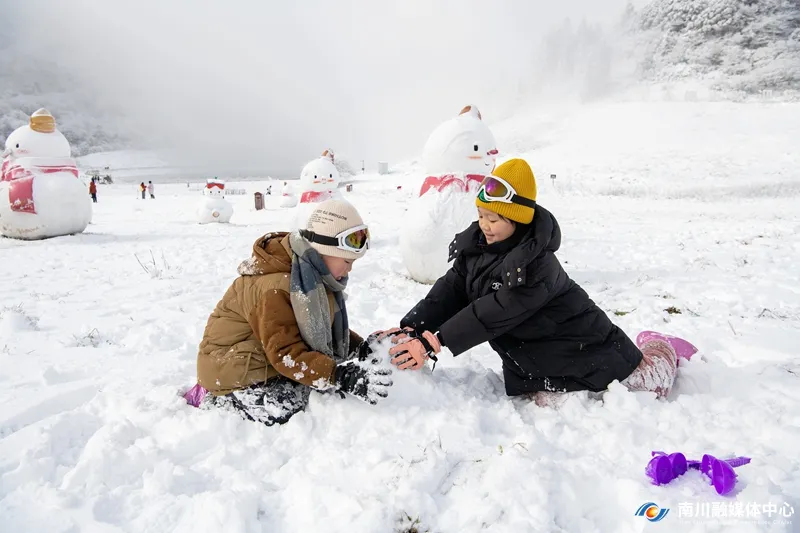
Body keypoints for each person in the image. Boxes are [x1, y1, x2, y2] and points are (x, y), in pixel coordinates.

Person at [387, 159, 694, 407]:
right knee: (547, 400)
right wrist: (414, 326)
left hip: (589, 348)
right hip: (541, 356)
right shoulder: (478, 246)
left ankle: (662, 347)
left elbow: (493, 311)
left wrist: (434, 341)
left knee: (647, 387)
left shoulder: (537, 267)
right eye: (481, 215)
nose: (484, 225)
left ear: (517, 220)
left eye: (493, 220)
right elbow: (452, 288)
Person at [184, 198, 392, 425]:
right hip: (229, 368)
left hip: (262, 354)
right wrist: (339, 376)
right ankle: (221, 401)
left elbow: (322, 325)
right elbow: (286, 353)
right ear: (323, 250)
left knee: (311, 391)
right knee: (287, 406)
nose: (349, 268)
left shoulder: (309, 275)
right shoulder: (278, 288)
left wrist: (360, 348)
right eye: (346, 260)